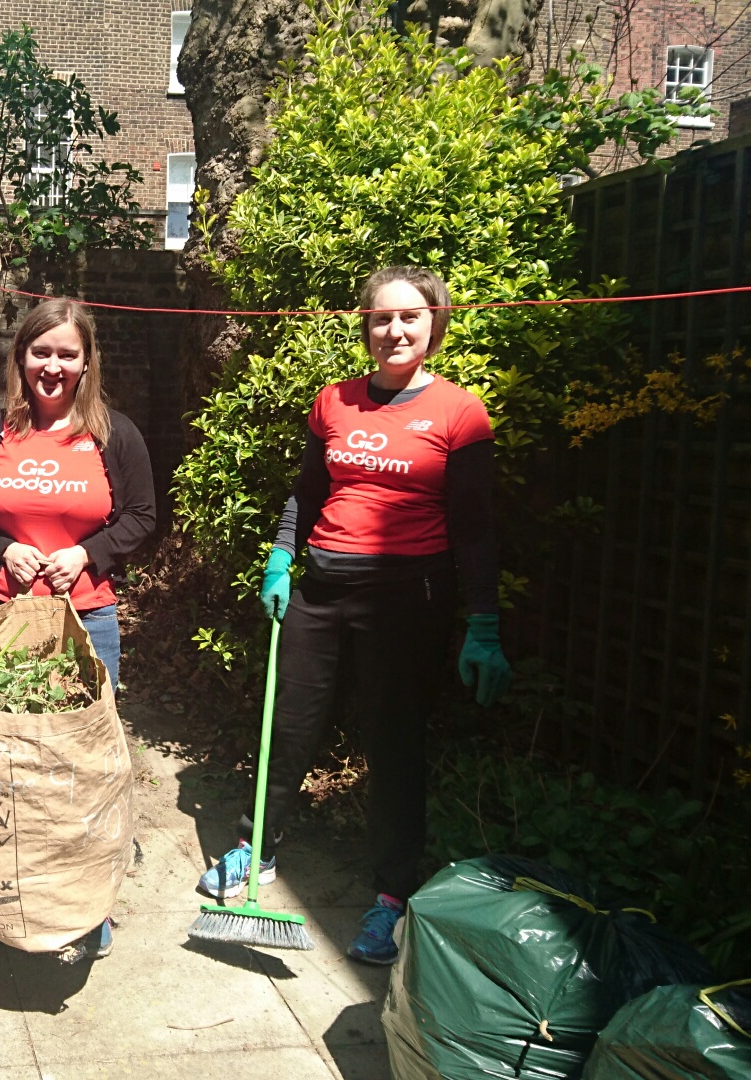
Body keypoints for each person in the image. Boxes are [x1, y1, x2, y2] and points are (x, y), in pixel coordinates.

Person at [194, 266, 512, 965]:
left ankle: (392, 895)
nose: (394, 331)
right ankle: (258, 849)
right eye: (380, 319)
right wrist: (282, 559)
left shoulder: (461, 413)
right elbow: (306, 493)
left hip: (408, 598)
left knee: (394, 747)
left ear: (435, 321)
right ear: (364, 326)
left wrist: (483, 623)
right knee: (287, 726)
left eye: (410, 318)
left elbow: (476, 527)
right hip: (322, 587)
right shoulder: (333, 403)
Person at [0, 298, 157, 694]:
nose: (53, 366)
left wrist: (85, 554)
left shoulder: (115, 434)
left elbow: (142, 515)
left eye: (67, 355)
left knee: (84, 748)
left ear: (87, 362)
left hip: (86, 618)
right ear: (22, 357)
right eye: (41, 352)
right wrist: (4, 550)